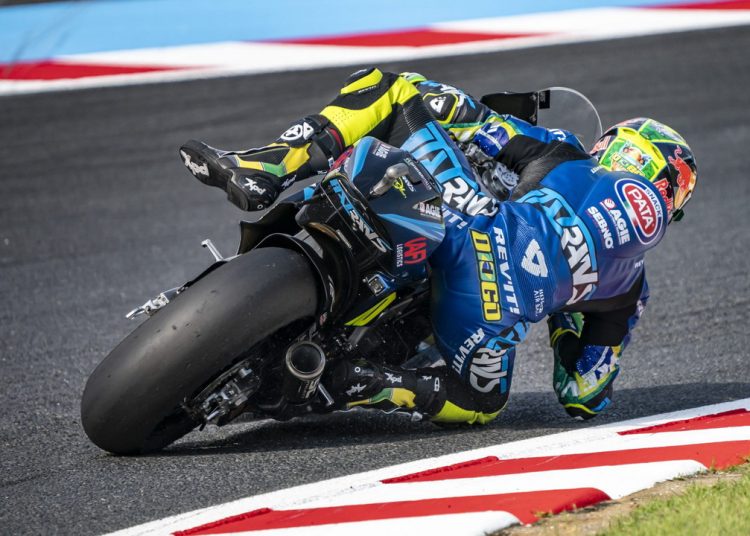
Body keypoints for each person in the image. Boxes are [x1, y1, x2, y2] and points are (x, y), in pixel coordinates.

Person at [179, 68, 698, 424]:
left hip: (468, 223)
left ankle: (269, 165)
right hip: (489, 317)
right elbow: (583, 395)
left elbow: (480, 127)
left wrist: (461, 123)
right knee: (483, 401)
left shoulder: (566, 151)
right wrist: (568, 313)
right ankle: (366, 382)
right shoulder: (630, 287)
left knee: (397, 89)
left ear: (613, 146)